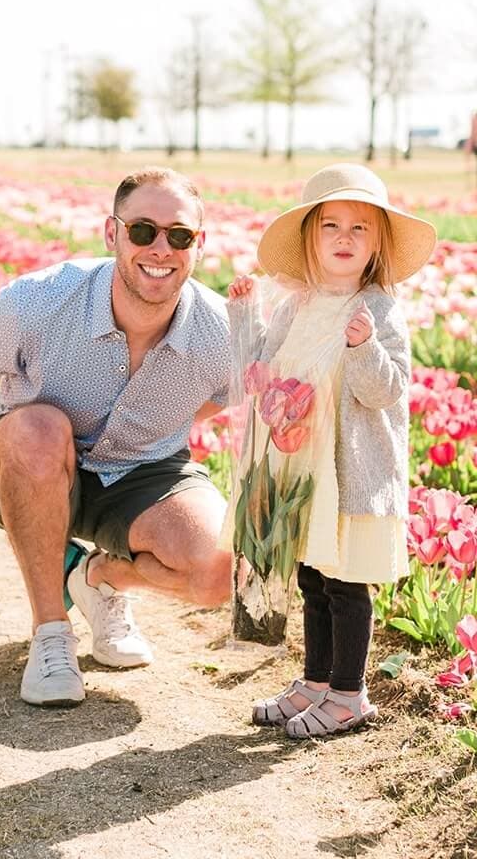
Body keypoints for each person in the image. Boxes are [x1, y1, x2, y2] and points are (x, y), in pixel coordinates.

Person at [0, 167, 232, 707]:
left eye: (179, 235)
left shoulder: (222, 332)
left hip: (140, 468)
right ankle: (51, 633)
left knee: (219, 571)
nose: (161, 248)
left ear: (198, 246)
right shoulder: (39, 302)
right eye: (142, 231)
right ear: (112, 233)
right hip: (26, 456)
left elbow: (221, 398)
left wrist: (156, 426)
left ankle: (98, 578)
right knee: (41, 428)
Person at [227, 163, 436, 738]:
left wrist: (366, 347)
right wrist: (244, 316)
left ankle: (350, 694)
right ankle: (316, 681)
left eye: (360, 228)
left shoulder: (379, 311)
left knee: (346, 585)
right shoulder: (296, 305)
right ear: (309, 238)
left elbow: (387, 391)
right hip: (304, 472)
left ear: (377, 244)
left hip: (352, 474)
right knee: (313, 580)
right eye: (331, 225)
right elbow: (259, 375)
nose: (344, 238)